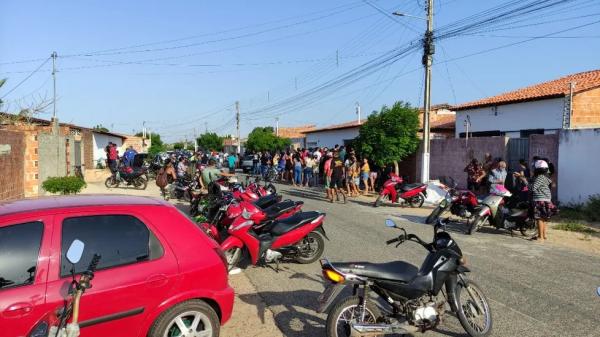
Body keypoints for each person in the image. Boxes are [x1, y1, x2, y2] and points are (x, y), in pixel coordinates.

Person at [531, 160, 555, 242]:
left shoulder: (540, 177)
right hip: (546, 199)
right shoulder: (546, 176)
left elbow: (533, 188)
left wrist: (524, 181)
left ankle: (540, 237)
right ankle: (543, 236)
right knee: (544, 218)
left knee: (539, 218)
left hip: (540, 199)